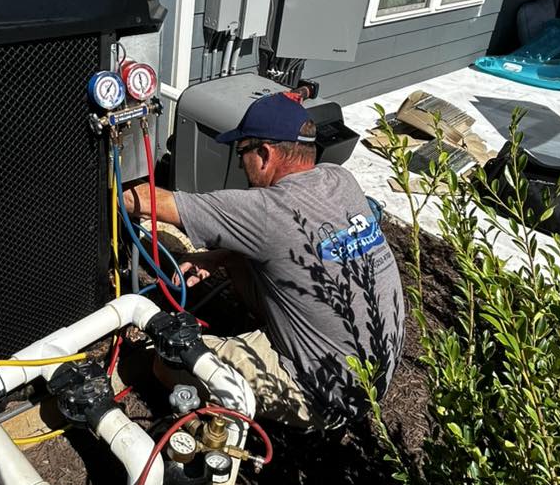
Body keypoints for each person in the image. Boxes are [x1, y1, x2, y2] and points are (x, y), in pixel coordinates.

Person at [123, 92, 404, 430]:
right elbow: (285, 241)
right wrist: (221, 256)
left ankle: (205, 432)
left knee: (167, 359)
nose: (241, 163)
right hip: (374, 372)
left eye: (242, 152)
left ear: (265, 154)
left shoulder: (269, 211)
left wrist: (105, 176)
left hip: (322, 395)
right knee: (244, 257)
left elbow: (154, 203)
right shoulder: (340, 179)